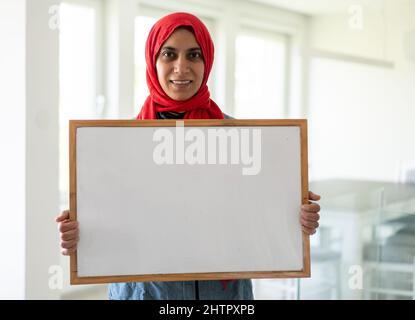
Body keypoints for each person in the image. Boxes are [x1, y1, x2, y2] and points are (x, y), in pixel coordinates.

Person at [56, 12, 322, 300]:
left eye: (193, 55)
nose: (181, 67)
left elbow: (264, 218)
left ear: (206, 62)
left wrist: (295, 215)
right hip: (146, 293)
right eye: (169, 54)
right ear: (153, 61)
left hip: (223, 297)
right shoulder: (118, 146)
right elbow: (110, 222)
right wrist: (82, 232)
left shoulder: (243, 140)